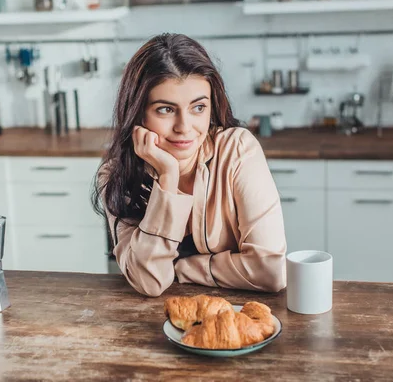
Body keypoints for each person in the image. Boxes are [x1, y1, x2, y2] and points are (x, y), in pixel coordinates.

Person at [93, 33, 286, 297]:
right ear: (137, 112)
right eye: (165, 109)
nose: (184, 127)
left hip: (236, 319)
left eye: (198, 108)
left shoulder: (237, 150)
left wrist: (180, 269)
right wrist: (168, 177)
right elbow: (148, 282)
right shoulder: (116, 175)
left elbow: (271, 271)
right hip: (147, 325)